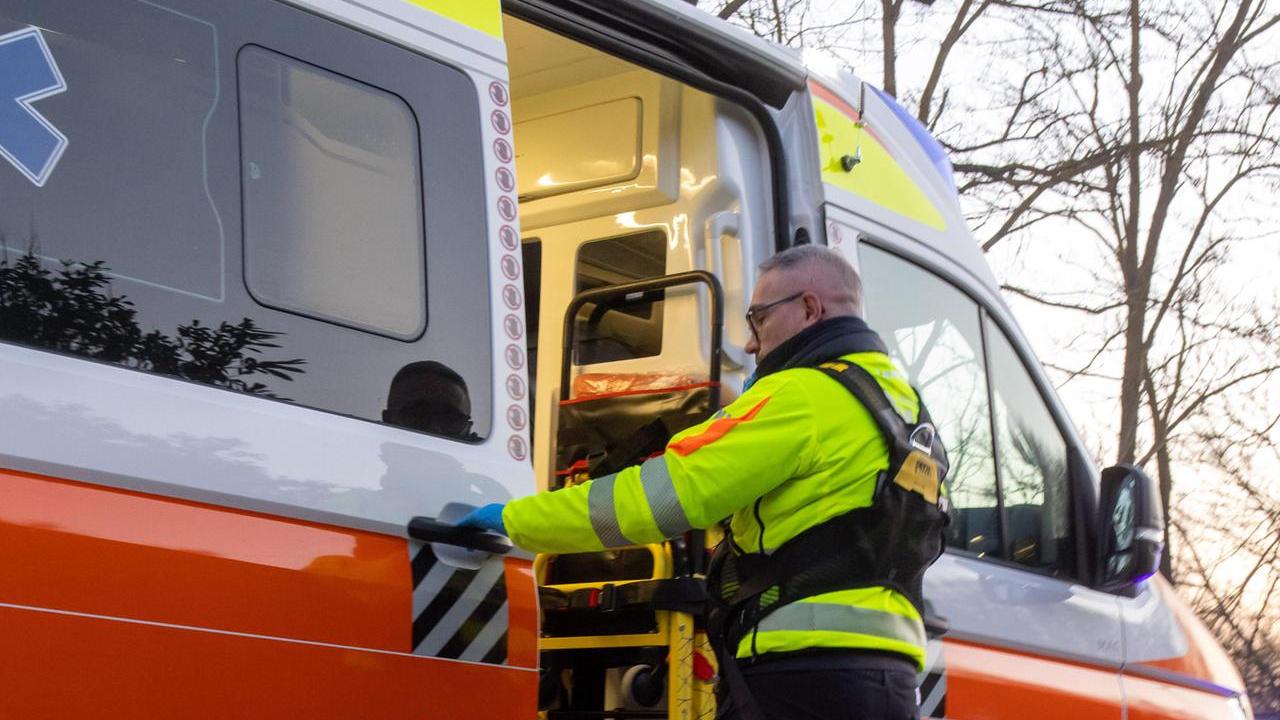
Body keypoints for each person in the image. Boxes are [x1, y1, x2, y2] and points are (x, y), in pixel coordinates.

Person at [459, 245, 945, 720]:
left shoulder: (803, 394)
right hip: (892, 678)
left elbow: (662, 499)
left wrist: (515, 519)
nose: (752, 343)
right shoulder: (907, 412)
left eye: (758, 319)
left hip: (798, 675)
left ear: (809, 309)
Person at [382, 361, 478, 441]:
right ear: (388, 420)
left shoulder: (485, 460)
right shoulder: (368, 454)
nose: (434, 430)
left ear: (467, 429)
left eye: (450, 419)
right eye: (418, 415)